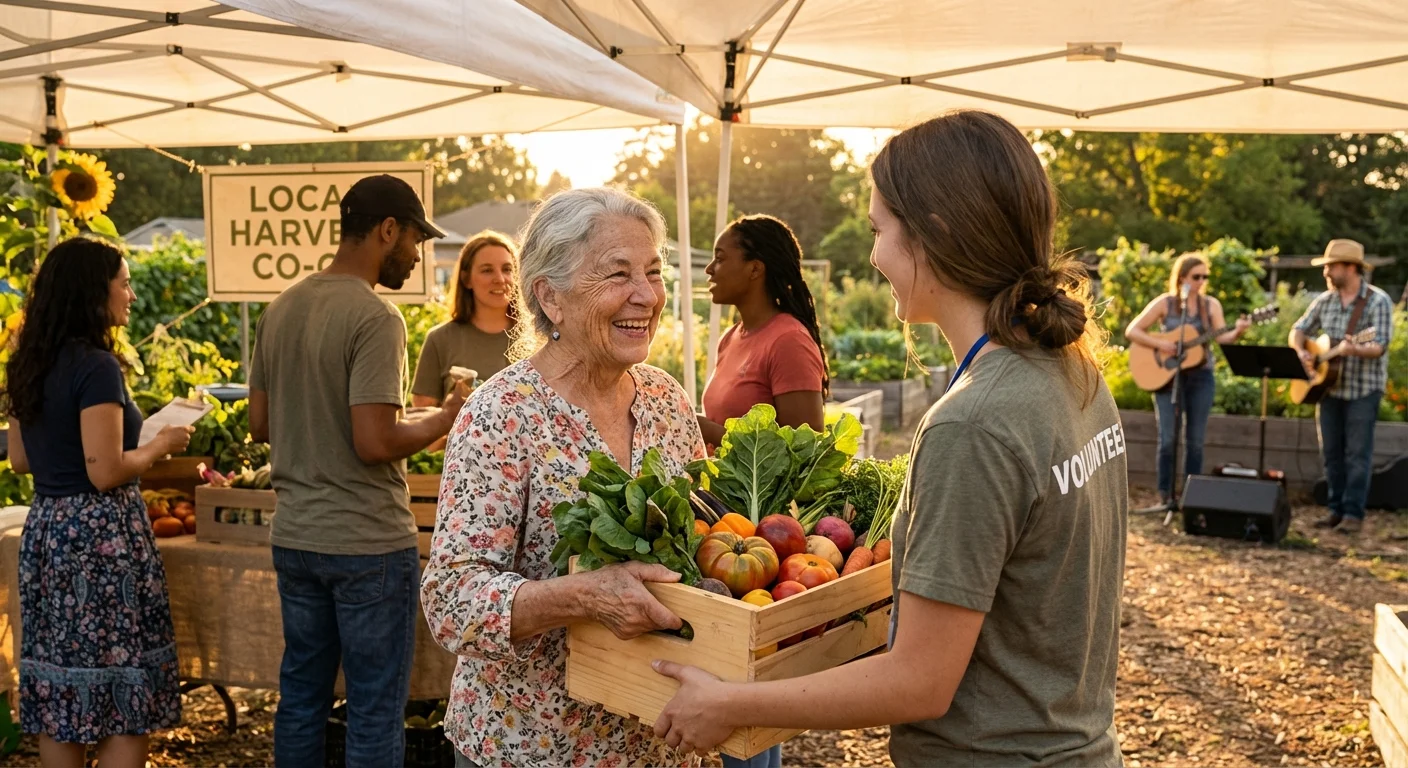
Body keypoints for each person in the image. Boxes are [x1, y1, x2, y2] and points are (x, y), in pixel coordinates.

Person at [650, 110, 1129, 767]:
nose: (872, 254)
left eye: (879, 230)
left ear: (933, 235)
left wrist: (730, 702)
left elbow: (920, 682)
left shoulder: (972, 423)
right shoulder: (1072, 368)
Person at [420, 187, 704, 768]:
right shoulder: (502, 414)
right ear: (551, 298)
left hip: (661, 741)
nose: (646, 296)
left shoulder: (666, 400)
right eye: (618, 274)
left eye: (653, 271)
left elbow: (704, 541)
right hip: (533, 745)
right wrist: (583, 596)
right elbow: (452, 599)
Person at [248, 174, 466, 767]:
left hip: (294, 535)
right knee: (373, 708)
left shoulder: (281, 307)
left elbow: (260, 425)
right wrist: (443, 418)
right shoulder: (376, 318)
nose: (416, 256)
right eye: (414, 241)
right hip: (366, 541)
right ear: (386, 230)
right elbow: (375, 441)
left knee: (301, 700)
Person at [3, 238, 193, 768]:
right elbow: (106, 471)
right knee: (121, 697)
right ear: (94, 291)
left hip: (48, 531)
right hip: (100, 539)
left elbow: (20, 460)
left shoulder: (26, 363)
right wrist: (157, 445)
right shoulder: (97, 366)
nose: (131, 295)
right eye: (124, 282)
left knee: (62, 691)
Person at [1125, 253, 1250, 512]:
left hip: (1201, 377)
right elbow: (1132, 330)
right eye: (1197, 276)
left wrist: (1238, 331)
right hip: (1168, 379)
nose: (1202, 281)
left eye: (1205, 276)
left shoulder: (1211, 306)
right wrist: (1162, 344)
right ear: (1182, 277)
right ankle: (1165, 496)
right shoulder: (1166, 303)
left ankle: (1191, 497)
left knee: (1195, 440)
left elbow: (1223, 338)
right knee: (1168, 439)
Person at [1290, 238, 1394, 535]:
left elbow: (1380, 346)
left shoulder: (1378, 301)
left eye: (1331, 266)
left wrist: (1356, 350)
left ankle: (1353, 514)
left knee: (1357, 453)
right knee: (1331, 453)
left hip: (1364, 390)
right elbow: (1298, 329)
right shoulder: (1325, 301)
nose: (1326, 272)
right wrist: (1302, 351)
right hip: (1328, 389)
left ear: (1350, 268)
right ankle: (1335, 510)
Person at [698, 214, 827, 451]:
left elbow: (806, 454)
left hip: (761, 490)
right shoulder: (730, 337)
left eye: (719, 259)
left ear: (755, 269)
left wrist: (708, 431)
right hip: (721, 488)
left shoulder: (789, 342)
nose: (709, 269)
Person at [411, 230, 518, 408]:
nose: (499, 279)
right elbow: (423, 418)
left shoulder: (539, 338)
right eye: (487, 270)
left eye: (507, 269)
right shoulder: (440, 340)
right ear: (466, 279)